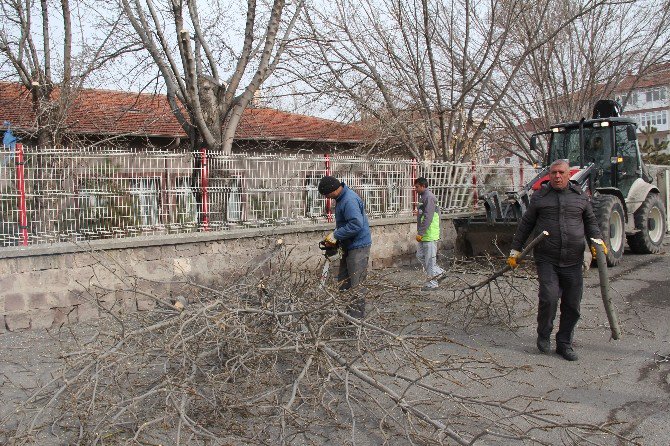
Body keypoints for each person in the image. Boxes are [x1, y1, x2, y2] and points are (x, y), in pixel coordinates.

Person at [507, 159, 606, 361]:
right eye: (553, 173)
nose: (557, 176)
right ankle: (544, 334)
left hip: (573, 260)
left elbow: (590, 222)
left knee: (572, 305)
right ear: (549, 175)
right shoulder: (540, 197)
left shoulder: (580, 197)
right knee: (549, 298)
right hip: (547, 259)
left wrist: (597, 242)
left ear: (569, 174)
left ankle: (564, 343)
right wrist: (515, 250)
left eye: (561, 172)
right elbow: (526, 224)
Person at [318, 175, 372, 318]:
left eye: (326, 195)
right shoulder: (341, 199)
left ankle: (356, 321)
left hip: (358, 246)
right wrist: (336, 236)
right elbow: (345, 223)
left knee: (356, 285)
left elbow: (355, 224)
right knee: (344, 283)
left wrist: (336, 235)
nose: (327, 198)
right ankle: (347, 316)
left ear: (332, 190)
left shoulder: (349, 200)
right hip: (349, 245)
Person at [414, 177, 446, 291]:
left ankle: (432, 284)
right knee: (420, 256)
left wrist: (421, 232)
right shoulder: (424, 197)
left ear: (423, 186)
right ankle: (440, 273)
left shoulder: (429, 197)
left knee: (429, 260)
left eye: (417, 187)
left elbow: (428, 216)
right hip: (425, 234)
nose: (415, 189)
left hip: (429, 234)